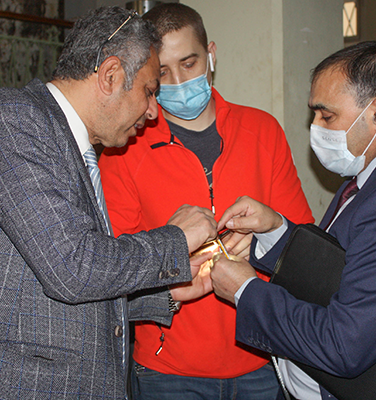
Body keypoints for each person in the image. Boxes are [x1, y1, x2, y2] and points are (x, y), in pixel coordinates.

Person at [0, 6, 218, 400]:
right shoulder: (15, 120)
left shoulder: (77, 144)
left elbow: (59, 300)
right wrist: (174, 239)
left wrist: (164, 293)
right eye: (149, 90)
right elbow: (73, 267)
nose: (153, 111)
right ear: (111, 75)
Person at [99, 3, 313, 399]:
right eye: (163, 72)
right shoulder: (124, 148)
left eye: (189, 63)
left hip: (262, 358)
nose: (179, 81)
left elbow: (302, 242)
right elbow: (113, 265)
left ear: (211, 54)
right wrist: (173, 249)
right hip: (167, 371)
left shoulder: (263, 130)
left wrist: (262, 244)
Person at [211, 40, 376, 400]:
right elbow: (337, 266)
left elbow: (344, 345)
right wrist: (275, 230)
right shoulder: (368, 176)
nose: (315, 127)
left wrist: (245, 290)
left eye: (327, 116)